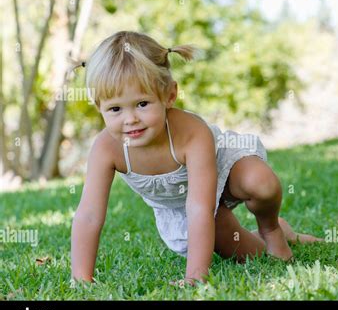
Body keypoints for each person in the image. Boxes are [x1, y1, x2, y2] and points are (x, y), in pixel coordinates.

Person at [71, 31, 322, 286]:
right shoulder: (106, 148)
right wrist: (81, 279)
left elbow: (200, 206)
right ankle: (281, 233)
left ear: (169, 95)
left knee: (261, 182)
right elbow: (89, 215)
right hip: (184, 202)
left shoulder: (192, 133)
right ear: (99, 107)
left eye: (142, 104)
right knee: (250, 255)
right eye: (115, 109)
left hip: (221, 166)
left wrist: (195, 278)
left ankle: (271, 229)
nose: (130, 118)